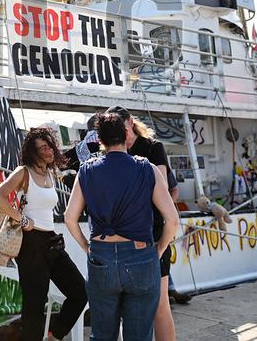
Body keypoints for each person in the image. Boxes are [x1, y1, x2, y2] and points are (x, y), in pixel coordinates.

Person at [64, 111, 179, 341]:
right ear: (127, 133)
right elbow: (172, 219)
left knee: (102, 334)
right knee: (139, 335)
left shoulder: (87, 170)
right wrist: (158, 250)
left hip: (101, 257)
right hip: (141, 256)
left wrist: (87, 247)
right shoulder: (147, 168)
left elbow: (69, 218)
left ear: (100, 141)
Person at [0, 126, 87, 340]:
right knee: (34, 305)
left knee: (80, 292)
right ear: (32, 152)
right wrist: (22, 219)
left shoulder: (51, 173)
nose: (48, 151)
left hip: (52, 241)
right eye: (41, 148)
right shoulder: (23, 172)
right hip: (31, 244)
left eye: (49, 146)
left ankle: (54, 335)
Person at [109, 105, 187, 339]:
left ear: (130, 123)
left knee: (159, 307)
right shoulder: (112, 152)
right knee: (129, 309)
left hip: (151, 233)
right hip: (123, 237)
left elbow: (162, 188)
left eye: (120, 127)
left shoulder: (152, 148)